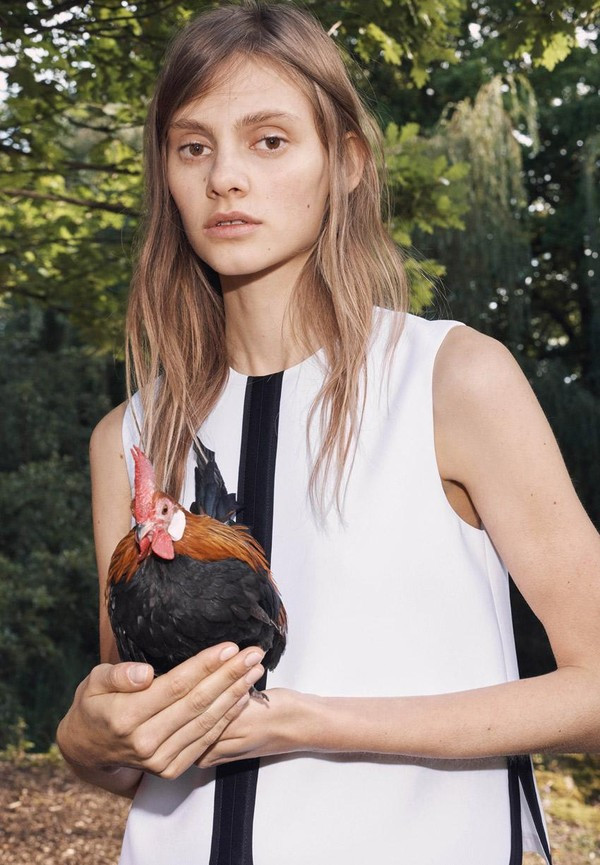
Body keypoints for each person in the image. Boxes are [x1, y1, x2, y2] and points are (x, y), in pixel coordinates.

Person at [56, 3, 600, 864]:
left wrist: (308, 720)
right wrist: (86, 740)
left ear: (345, 162)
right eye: (193, 147)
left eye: (269, 140)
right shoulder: (128, 436)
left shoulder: (452, 379)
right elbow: (143, 745)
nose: (225, 177)